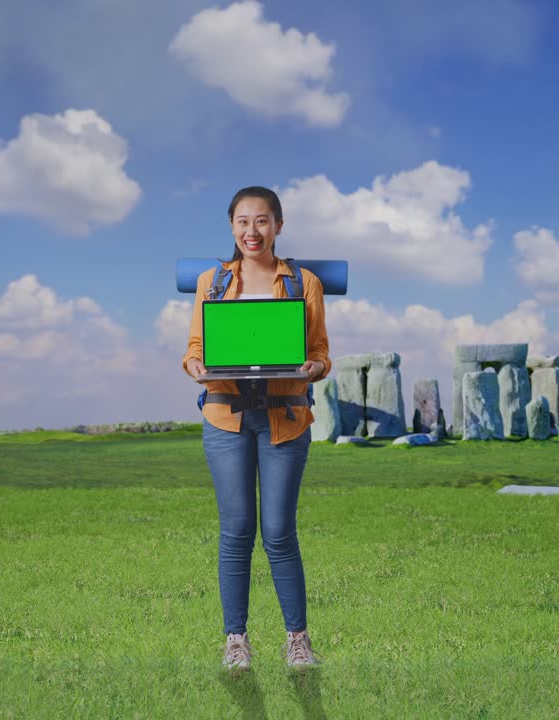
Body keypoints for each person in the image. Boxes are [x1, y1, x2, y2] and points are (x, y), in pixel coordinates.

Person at [183, 186, 331, 673]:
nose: (253, 231)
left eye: (262, 221)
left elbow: (321, 351)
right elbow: (193, 348)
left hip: (285, 418)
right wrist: (197, 367)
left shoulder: (302, 282)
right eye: (243, 222)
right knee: (237, 530)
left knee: (278, 532)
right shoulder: (213, 281)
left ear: (279, 226)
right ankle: (236, 641)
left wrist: (313, 368)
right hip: (226, 416)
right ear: (231, 227)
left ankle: (298, 641)